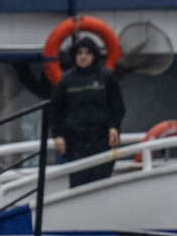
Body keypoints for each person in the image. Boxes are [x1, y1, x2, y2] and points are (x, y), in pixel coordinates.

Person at [49, 36, 126, 187]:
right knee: (79, 182)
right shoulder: (66, 81)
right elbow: (55, 110)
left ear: (94, 56)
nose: (83, 56)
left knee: (101, 183)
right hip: (75, 142)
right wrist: (58, 135)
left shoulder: (107, 78)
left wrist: (114, 126)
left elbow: (117, 106)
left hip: (101, 139)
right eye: (79, 53)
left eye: (87, 53)